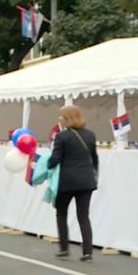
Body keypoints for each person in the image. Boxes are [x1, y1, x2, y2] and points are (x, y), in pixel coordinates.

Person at [47, 105, 98, 261]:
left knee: (61, 213)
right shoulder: (90, 135)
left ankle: (64, 248)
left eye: (61, 117)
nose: (60, 119)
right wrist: (94, 175)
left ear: (67, 118)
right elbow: (94, 158)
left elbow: (55, 159)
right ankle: (88, 251)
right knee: (83, 216)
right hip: (86, 180)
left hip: (67, 180)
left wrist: (46, 165)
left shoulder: (62, 137)